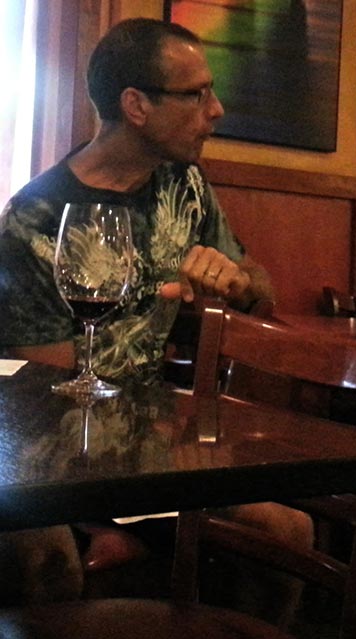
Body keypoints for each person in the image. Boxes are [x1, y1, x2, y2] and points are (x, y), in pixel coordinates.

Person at [0, 18, 312, 622]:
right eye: (196, 94)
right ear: (136, 105)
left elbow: (263, 292)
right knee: (42, 549)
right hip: (57, 462)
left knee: (287, 529)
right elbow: (49, 398)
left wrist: (236, 280)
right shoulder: (35, 218)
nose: (216, 110)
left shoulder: (185, 184)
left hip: (156, 452)